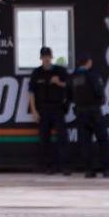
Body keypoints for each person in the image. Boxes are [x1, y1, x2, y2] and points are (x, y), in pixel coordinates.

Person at [70, 52, 109, 178]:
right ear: (89, 62)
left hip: (80, 113)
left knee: (85, 143)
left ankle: (89, 171)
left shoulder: (73, 78)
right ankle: (107, 169)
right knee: (103, 140)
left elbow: (69, 95)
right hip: (94, 112)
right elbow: (100, 93)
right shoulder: (93, 76)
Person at [28, 45, 70, 174]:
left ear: (52, 57)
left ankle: (63, 166)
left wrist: (59, 83)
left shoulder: (60, 71)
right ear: (41, 58)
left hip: (58, 108)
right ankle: (48, 167)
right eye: (44, 57)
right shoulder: (37, 73)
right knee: (44, 139)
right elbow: (31, 93)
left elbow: (70, 86)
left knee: (62, 138)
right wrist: (34, 111)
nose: (46, 59)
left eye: (48, 56)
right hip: (43, 110)